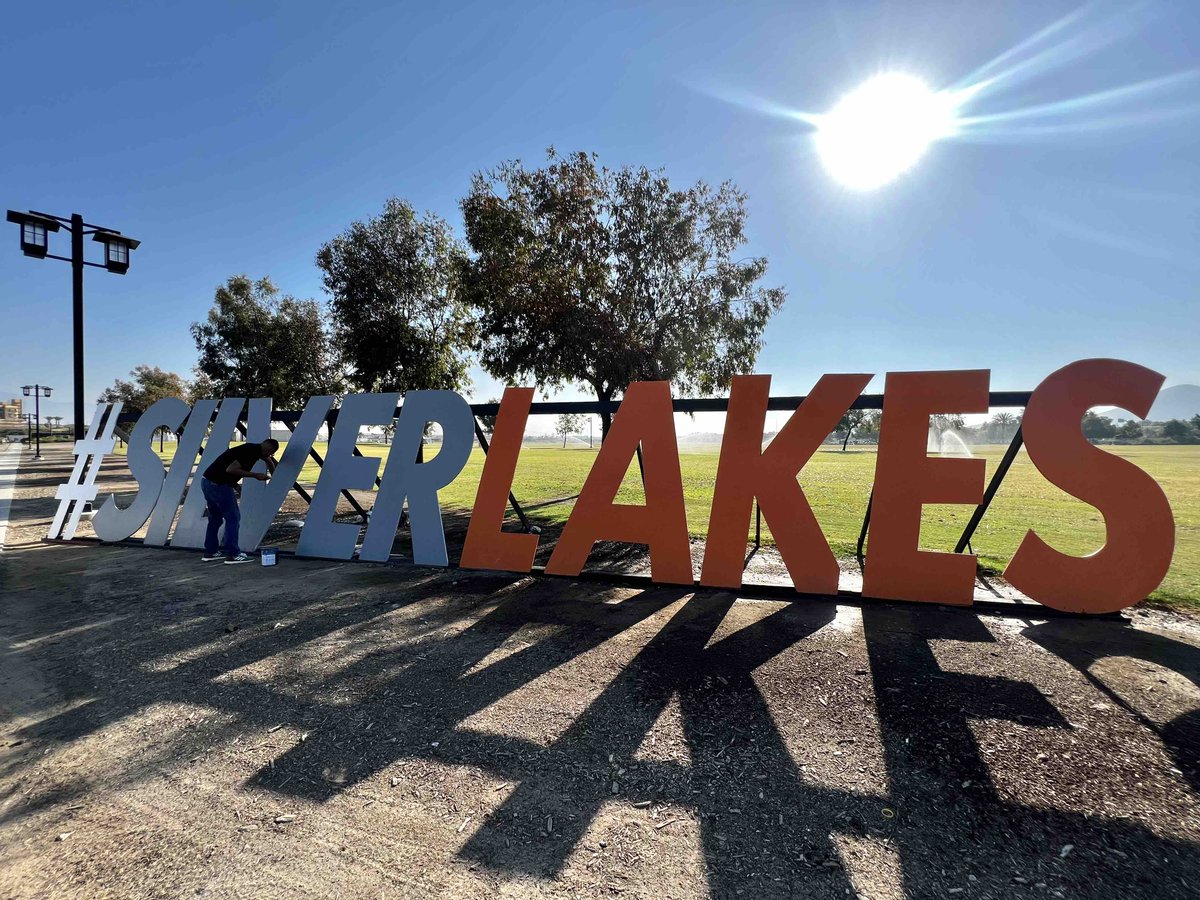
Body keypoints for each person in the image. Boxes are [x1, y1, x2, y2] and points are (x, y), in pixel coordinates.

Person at [199, 439, 278, 564]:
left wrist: (268, 460)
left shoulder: (251, 448)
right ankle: (233, 554)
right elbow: (231, 469)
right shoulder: (250, 453)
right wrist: (255, 475)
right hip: (219, 485)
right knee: (233, 518)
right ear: (268, 450)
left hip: (207, 481)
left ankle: (211, 551)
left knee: (215, 518)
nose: (269, 456)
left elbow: (226, 467)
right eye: (271, 454)